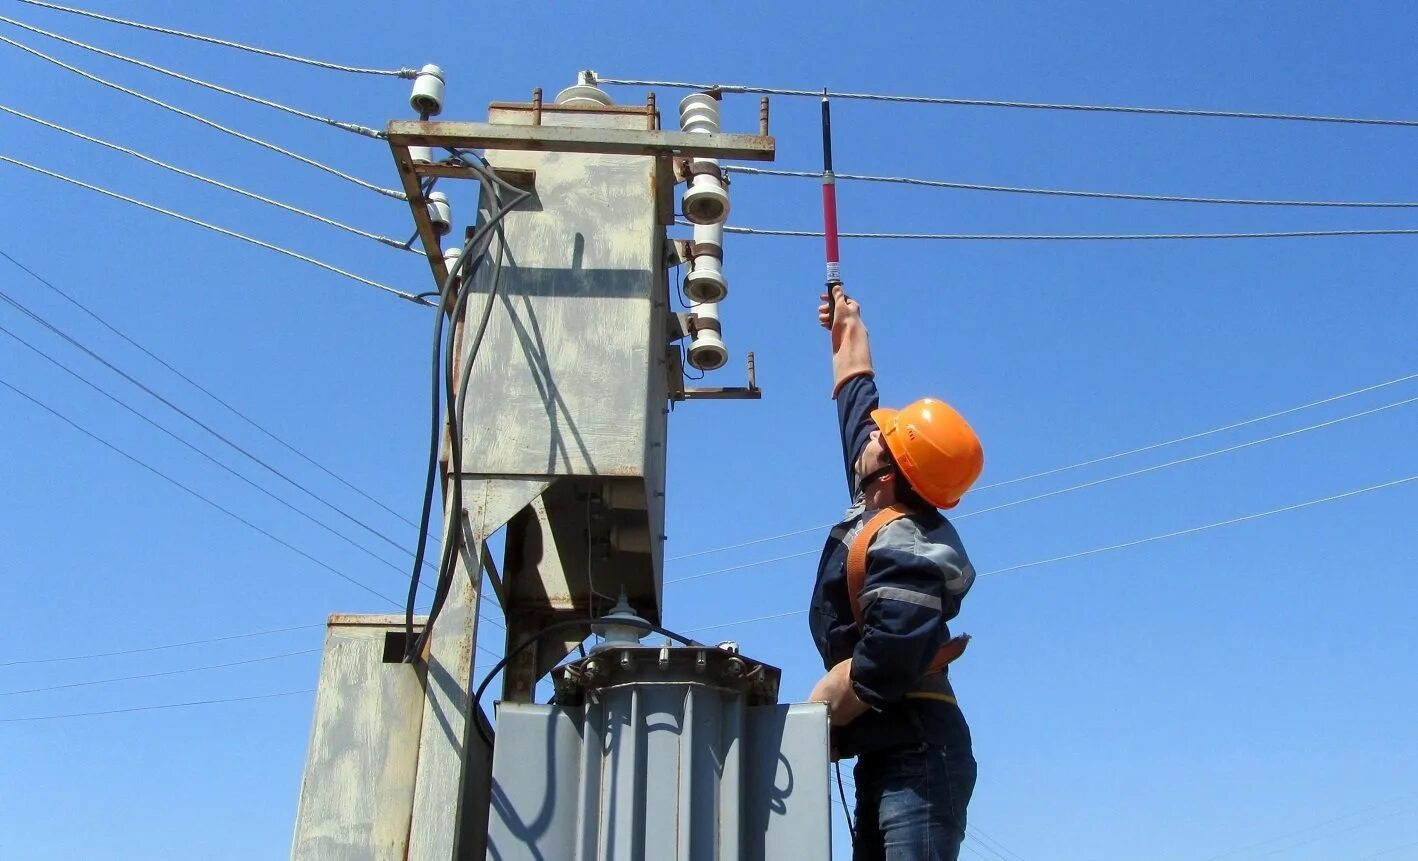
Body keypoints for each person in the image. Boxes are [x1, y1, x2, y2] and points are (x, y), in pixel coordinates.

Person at [808, 285, 984, 861]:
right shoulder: (876, 501)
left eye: (883, 439)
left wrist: (833, 699)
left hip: (919, 754)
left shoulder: (907, 540)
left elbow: (896, 647)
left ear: (890, 473)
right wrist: (848, 332)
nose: (870, 436)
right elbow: (857, 405)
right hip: (890, 750)